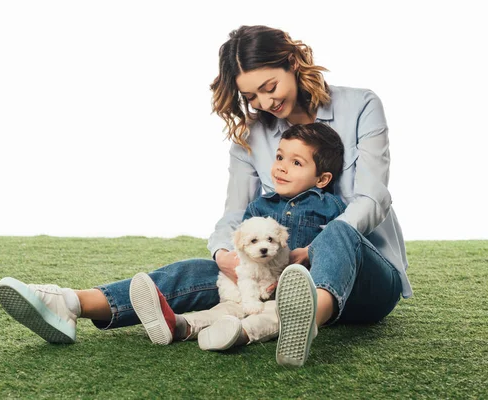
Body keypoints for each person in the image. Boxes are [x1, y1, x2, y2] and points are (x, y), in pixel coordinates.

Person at [0, 24, 412, 368]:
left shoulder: (360, 105)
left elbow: (372, 198)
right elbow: (233, 215)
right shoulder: (252, 134)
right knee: (200, 268)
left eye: (269, 86)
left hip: (364, 278)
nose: (265, 103)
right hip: (274, 274)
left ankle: (301, 320)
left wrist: (310, 253)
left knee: (338, 234)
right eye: (251, 97)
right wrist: (223, 256)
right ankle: (70, 304)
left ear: (292, 63)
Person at [128, 122, 346, 352]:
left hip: (297, 291)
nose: (281, 167)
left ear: (322, 179)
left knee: (272, 312)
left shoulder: (328, 206)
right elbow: (242, 241)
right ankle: (182, 324)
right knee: (229, 305)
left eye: (296, 163)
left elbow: (338, 242)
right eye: (280, 157)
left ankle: (241, 332)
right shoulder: (260, 206)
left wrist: (311, 251)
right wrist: (227, 258)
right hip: (251, 282)